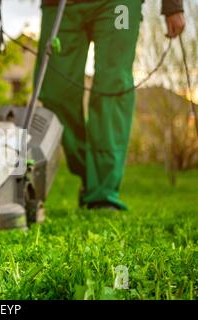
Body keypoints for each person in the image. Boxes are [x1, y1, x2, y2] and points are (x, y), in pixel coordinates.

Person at [36, 0, 185, 210]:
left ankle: (103, 192)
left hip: (119, 4)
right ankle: (90, 173)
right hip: (60, 4)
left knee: (112, 86)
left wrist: (173, 5)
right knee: (55, 91)